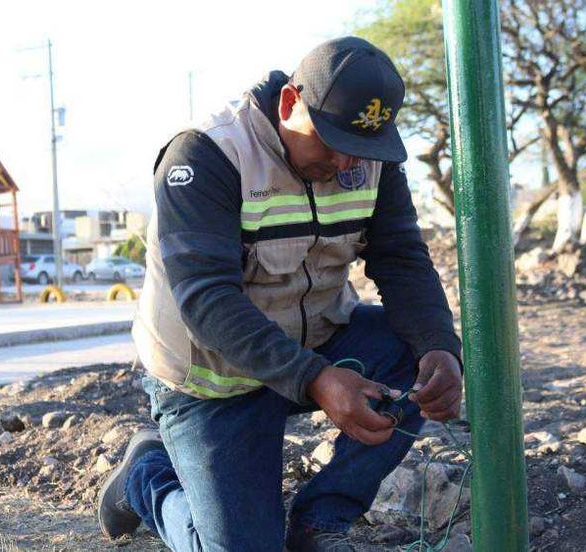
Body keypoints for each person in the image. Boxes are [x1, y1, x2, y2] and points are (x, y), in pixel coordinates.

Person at [96, 36, 463, 552]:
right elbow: (207, 301)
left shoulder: (370, 156)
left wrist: (439, 346)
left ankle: (321, 522)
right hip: (213, 379)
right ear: (291, 103)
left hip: (315, 345)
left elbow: (401, 258)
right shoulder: (207, 155)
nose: (342, 163)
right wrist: (314, 379)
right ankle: (145, 478)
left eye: (358, 147)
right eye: (329, 139)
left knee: (412, 350)